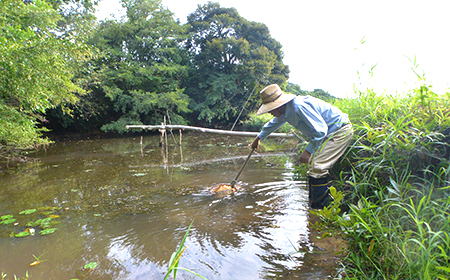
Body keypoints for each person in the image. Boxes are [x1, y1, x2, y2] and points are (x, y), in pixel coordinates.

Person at [250, 84, 353, 209]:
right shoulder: (285, 111)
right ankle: (313, 205)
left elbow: (320, 131)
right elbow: (273, 123)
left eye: (270, 109)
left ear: (278, 105)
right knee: (313, 167)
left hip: (339, 131)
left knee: (318, 166)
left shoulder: (299, 107)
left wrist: (308, 151)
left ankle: (319, 210)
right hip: (328, 133)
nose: (270, 112)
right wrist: (259, 138)